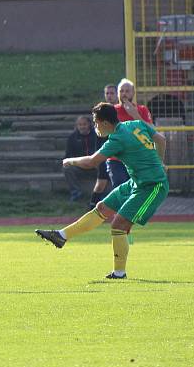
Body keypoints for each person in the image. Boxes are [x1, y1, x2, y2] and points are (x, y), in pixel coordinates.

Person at [36, 102, 168, 279]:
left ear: (105, 123)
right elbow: (161, 139)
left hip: (153, 186)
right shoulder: (135, 124)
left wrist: (70, 161)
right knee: (102, 207)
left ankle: (119, 273)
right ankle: (62, 236)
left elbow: (91, 162)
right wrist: (160, 162)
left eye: (96, 122)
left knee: (118, 224)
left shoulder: (117, 138)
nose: (95, 126)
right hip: (136, 183)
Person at [106, 78, 154, 189]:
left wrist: (134, 114)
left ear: (133, 93)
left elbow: (152, 130)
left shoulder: (142, 109)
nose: (124, 94)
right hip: (116, 158)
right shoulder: (111, 110)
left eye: (127, 91)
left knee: (138, 190)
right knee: (121, 189)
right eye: (121, 91)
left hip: (137, 158)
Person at [63, 115, 100, 202]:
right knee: (67, 168)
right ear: (77, 126)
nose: (82, 126)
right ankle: (76, 193)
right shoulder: (72, 137)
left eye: (84, 124)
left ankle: (101, 193)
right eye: (80, 125)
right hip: (80, 165)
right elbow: (67, 155)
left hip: (96, 165)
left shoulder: (97, 135)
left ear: (89, 125)